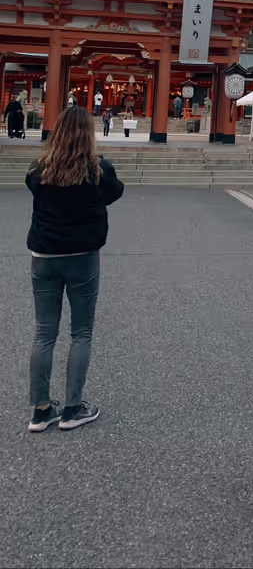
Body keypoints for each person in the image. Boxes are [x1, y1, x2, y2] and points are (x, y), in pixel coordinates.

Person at [25, 105, 125, 432]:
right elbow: (115, 192)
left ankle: (40, 409)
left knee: (44, 332)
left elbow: (32, 185)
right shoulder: (97, 170)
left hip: (44, 255)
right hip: (82, 255)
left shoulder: (40, 168)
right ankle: (72, 407)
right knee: (80, 333)